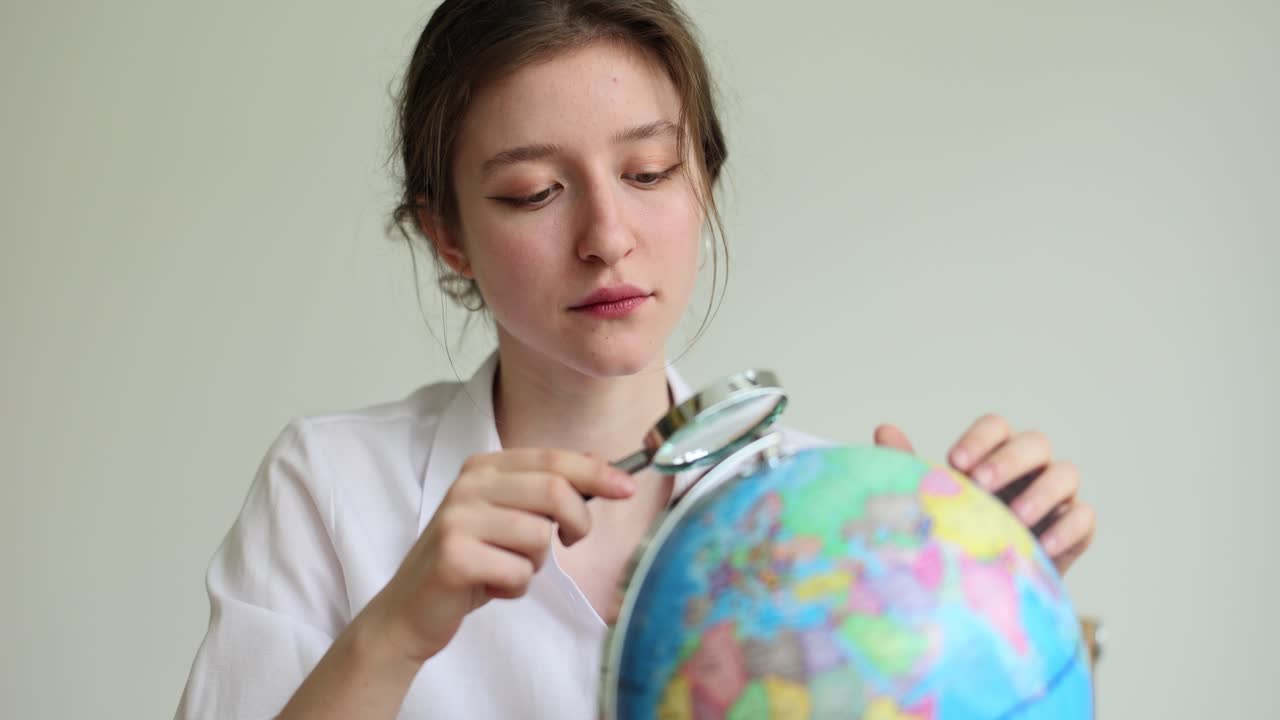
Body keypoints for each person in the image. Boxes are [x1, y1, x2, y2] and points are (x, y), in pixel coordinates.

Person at [175, 1, 1097, 718]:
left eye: (649, 172)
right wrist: (390, 637)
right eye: (534, 192)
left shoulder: (831, 527)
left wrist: (979, 613)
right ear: (446, 232)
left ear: (704, 177)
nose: (607, 237)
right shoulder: (331, 488)